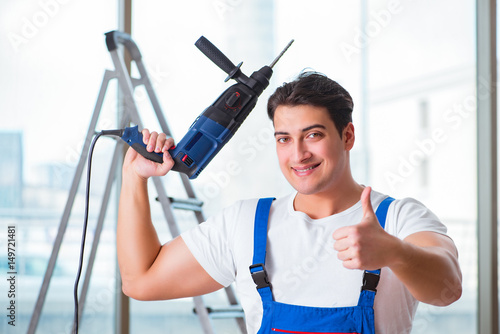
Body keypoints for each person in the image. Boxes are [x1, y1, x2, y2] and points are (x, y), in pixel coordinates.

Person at [117, 71, 462, 334]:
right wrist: (135, 176)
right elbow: (140, 281)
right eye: (284, 139)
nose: (298, 154)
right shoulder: (246, 223)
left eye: (313, 135)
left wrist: (394, 252)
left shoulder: (398, 219)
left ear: (348, 136)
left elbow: (448, 289)